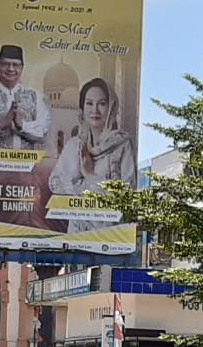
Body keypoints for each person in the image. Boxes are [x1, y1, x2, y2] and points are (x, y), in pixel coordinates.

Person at [48, 77, 137, 233]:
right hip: (77, 239)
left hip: (109, 239)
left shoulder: (121, 145)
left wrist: (90, 175)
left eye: (102, 104)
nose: (95, 110)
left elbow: (126, 196)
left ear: (111, 107)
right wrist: (77, 178)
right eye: (89, 103)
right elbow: (54, 183)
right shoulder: (74, 146)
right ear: (82, 107)